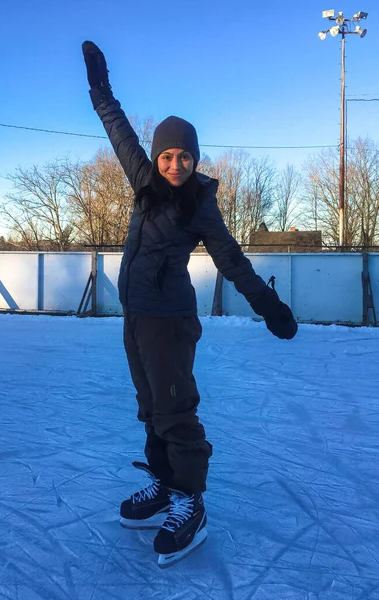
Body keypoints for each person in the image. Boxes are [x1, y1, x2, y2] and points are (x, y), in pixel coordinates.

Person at [82, 41, 297, 567]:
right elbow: (118, 129)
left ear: (195, 159)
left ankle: (191, 502)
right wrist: (100, 89)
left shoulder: (200, 204)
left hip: (170, 321)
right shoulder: (142, 181)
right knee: (151, 408)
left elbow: (231, 260)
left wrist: (268, 304)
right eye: (168, 155)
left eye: (186, 156)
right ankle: (162, 485)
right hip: (135, 316)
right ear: (157, 158)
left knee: (175, 410)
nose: (176, 164)